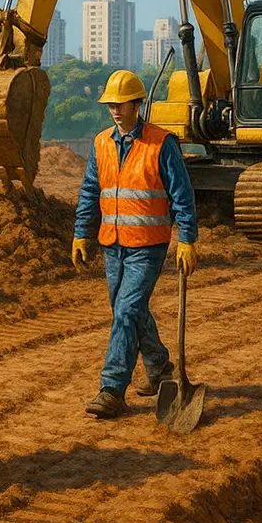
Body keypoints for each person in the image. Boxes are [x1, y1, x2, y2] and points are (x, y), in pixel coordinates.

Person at [72, 69, 199, 420]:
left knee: (126, 311)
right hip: (113, 244)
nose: (115, 110)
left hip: (148, 245)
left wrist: (187, 240)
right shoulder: (101, 143)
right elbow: (89, 191)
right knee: (127, 310)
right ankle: (158, 366)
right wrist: (81, 232)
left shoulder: (162, 143)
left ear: (137, 104)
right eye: (110, 104)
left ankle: (112, 389)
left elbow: (182, 196)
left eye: (121, 104)